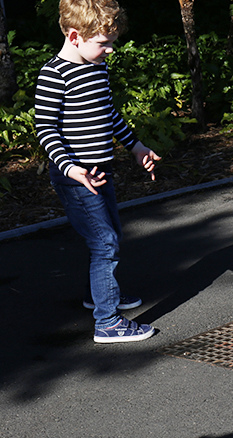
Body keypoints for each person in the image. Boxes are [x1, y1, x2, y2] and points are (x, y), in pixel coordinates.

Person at [35, 0, 161, 343]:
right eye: (103, 43)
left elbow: (108, 114)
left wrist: (135, 147)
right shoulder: (55, 75)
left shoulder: (96, 68)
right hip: (75, 177)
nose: (109, 50)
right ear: (75, 36)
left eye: (111, 43)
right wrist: (71, 168)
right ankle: (107, 321)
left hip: (101, 171)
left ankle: (100, 295)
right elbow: (46, 129)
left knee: (112, 236)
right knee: (104, 243)